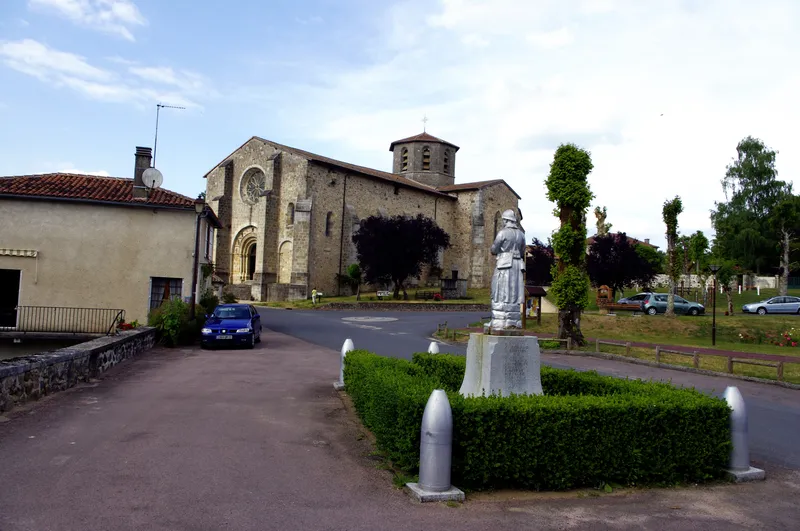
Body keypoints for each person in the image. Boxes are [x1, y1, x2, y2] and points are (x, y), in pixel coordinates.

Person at [490, 209, 526, 330]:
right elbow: (522, 250)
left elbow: (494, 249)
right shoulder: (521, 234)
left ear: (506, 220)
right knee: (514, 291)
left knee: (500, 289)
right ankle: (513, 320)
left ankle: (499, 322)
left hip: (504, 263)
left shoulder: (503, 233)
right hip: (517, 264)